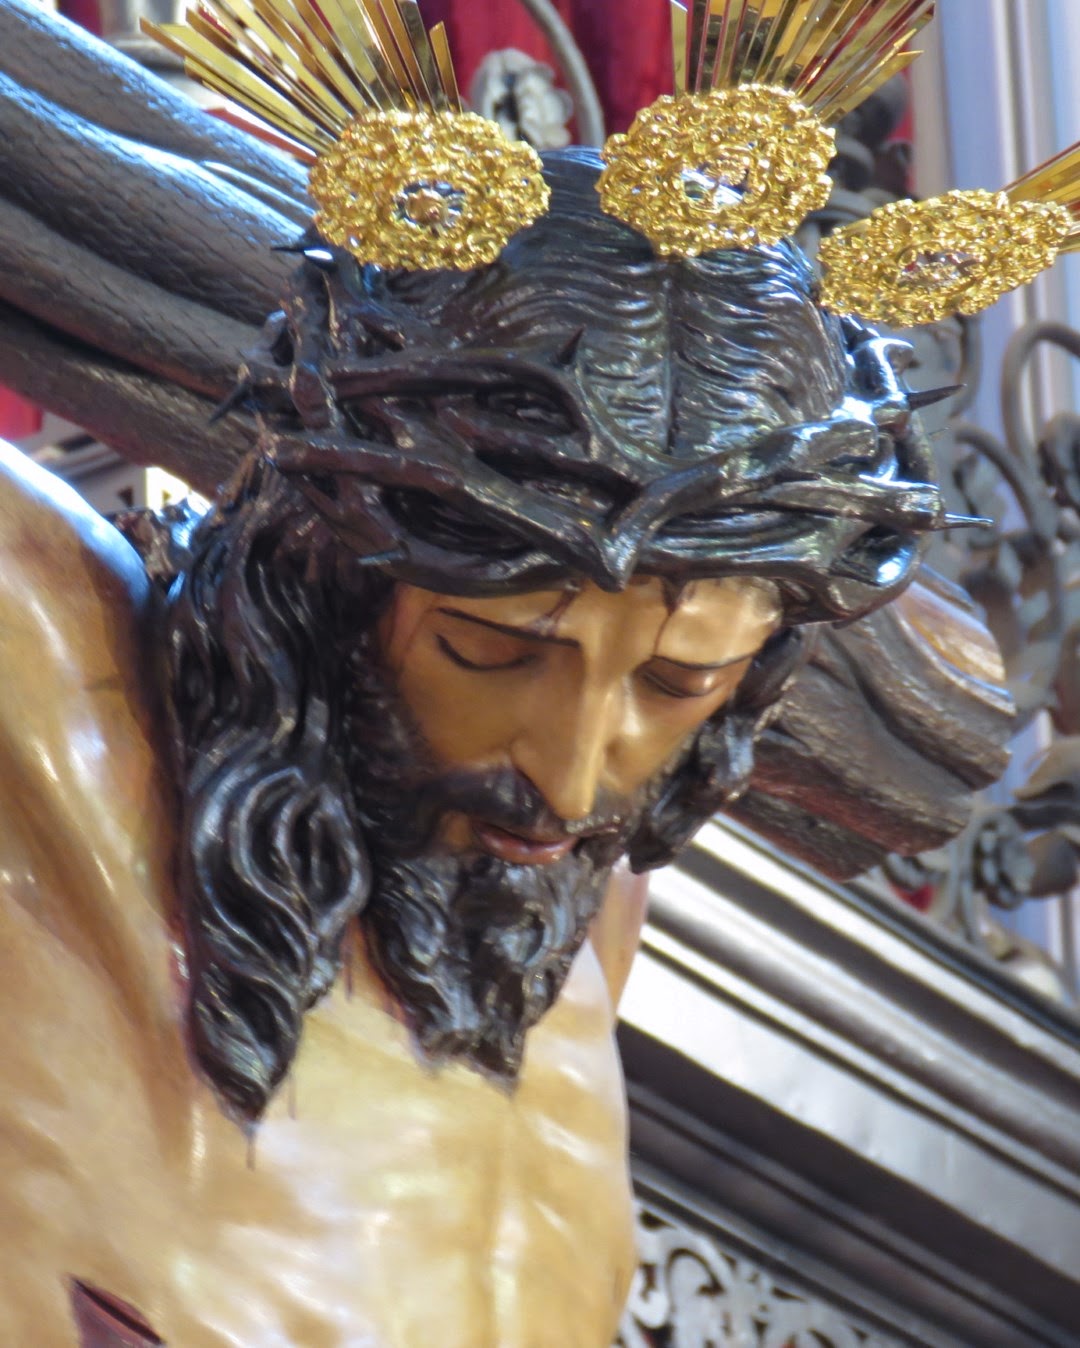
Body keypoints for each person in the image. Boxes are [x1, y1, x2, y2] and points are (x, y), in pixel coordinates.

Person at [0, 144, 952, 1345]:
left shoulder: (565, 925)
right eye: (492, 653)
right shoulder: (47, 676)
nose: (569, 776)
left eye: (677, 683)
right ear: (327, 570)